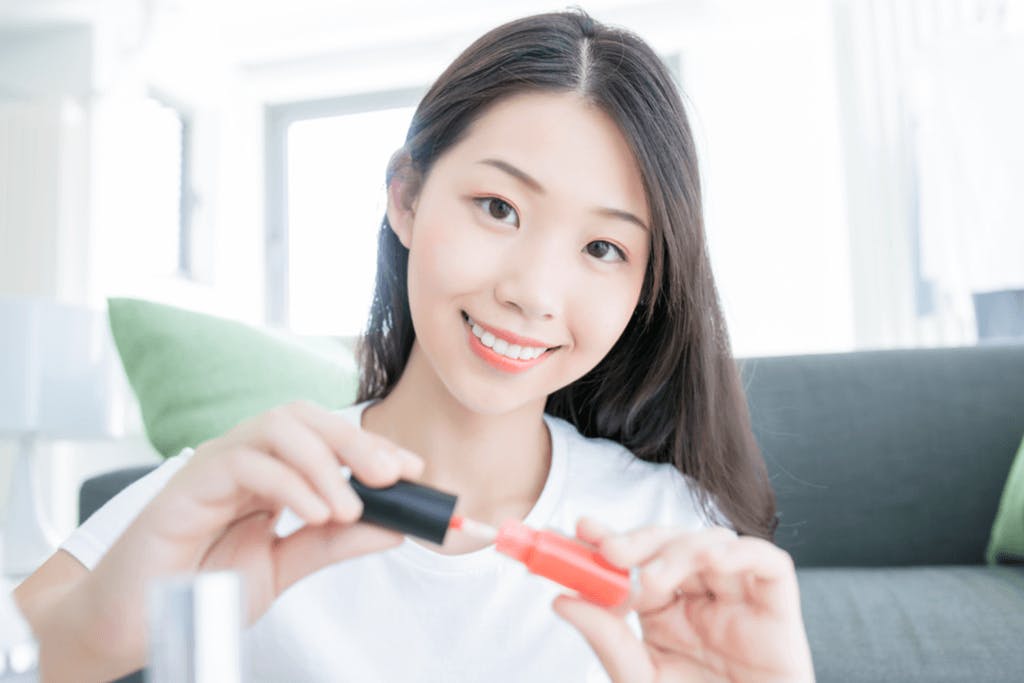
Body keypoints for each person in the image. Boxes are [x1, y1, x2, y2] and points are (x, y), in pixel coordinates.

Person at [13, 9, 814, 682]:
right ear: (406, 197)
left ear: (643, 288)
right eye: (497, 207)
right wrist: (93, 636)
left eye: (604, 248)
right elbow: (31, 641)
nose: (532, 291)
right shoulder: (240, 493)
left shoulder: (672, 535)